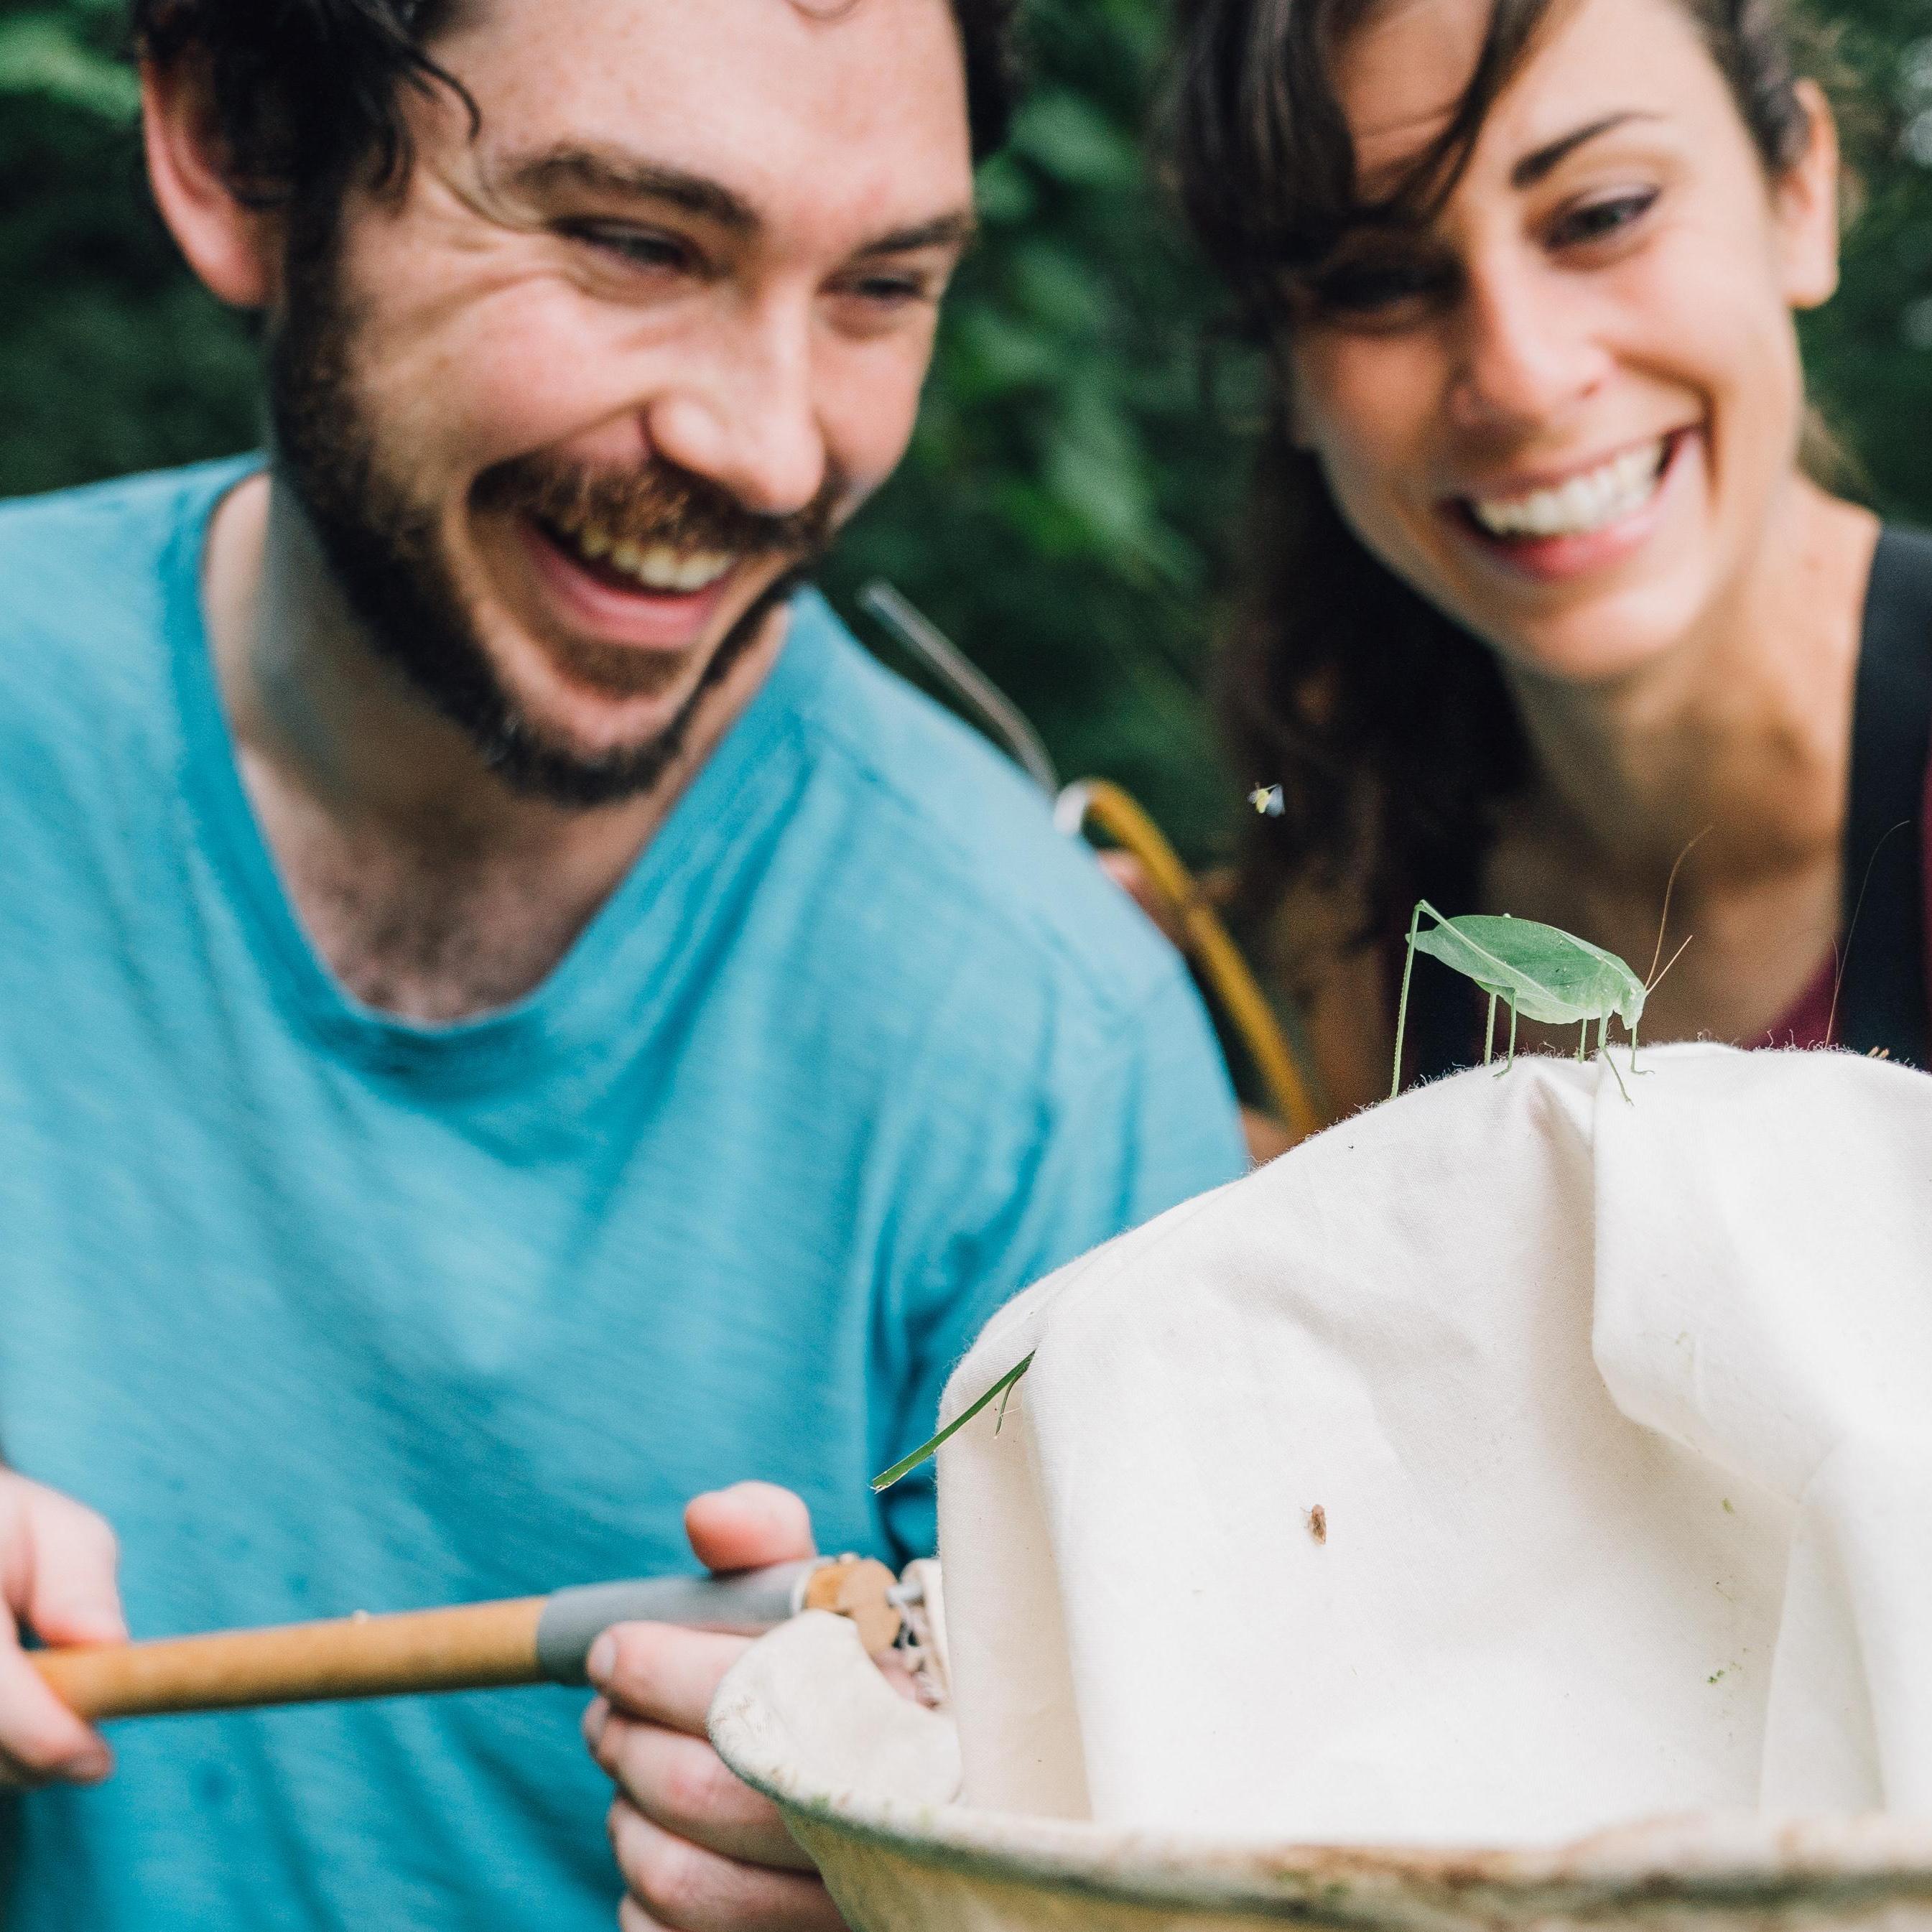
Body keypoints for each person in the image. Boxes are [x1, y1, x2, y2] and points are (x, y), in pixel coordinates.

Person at [0, 1, 1248, 1926]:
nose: (770, 447)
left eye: (881, 288)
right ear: (239, 146)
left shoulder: (1042, 1048)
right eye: (633, 243)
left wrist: (955, 1896)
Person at [1162, 0, 1932, 1126]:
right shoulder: (1353, 861)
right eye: (1374, 278)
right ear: (1286, 370)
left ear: (1799, 194)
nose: (1518, 377)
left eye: (1603, 213)